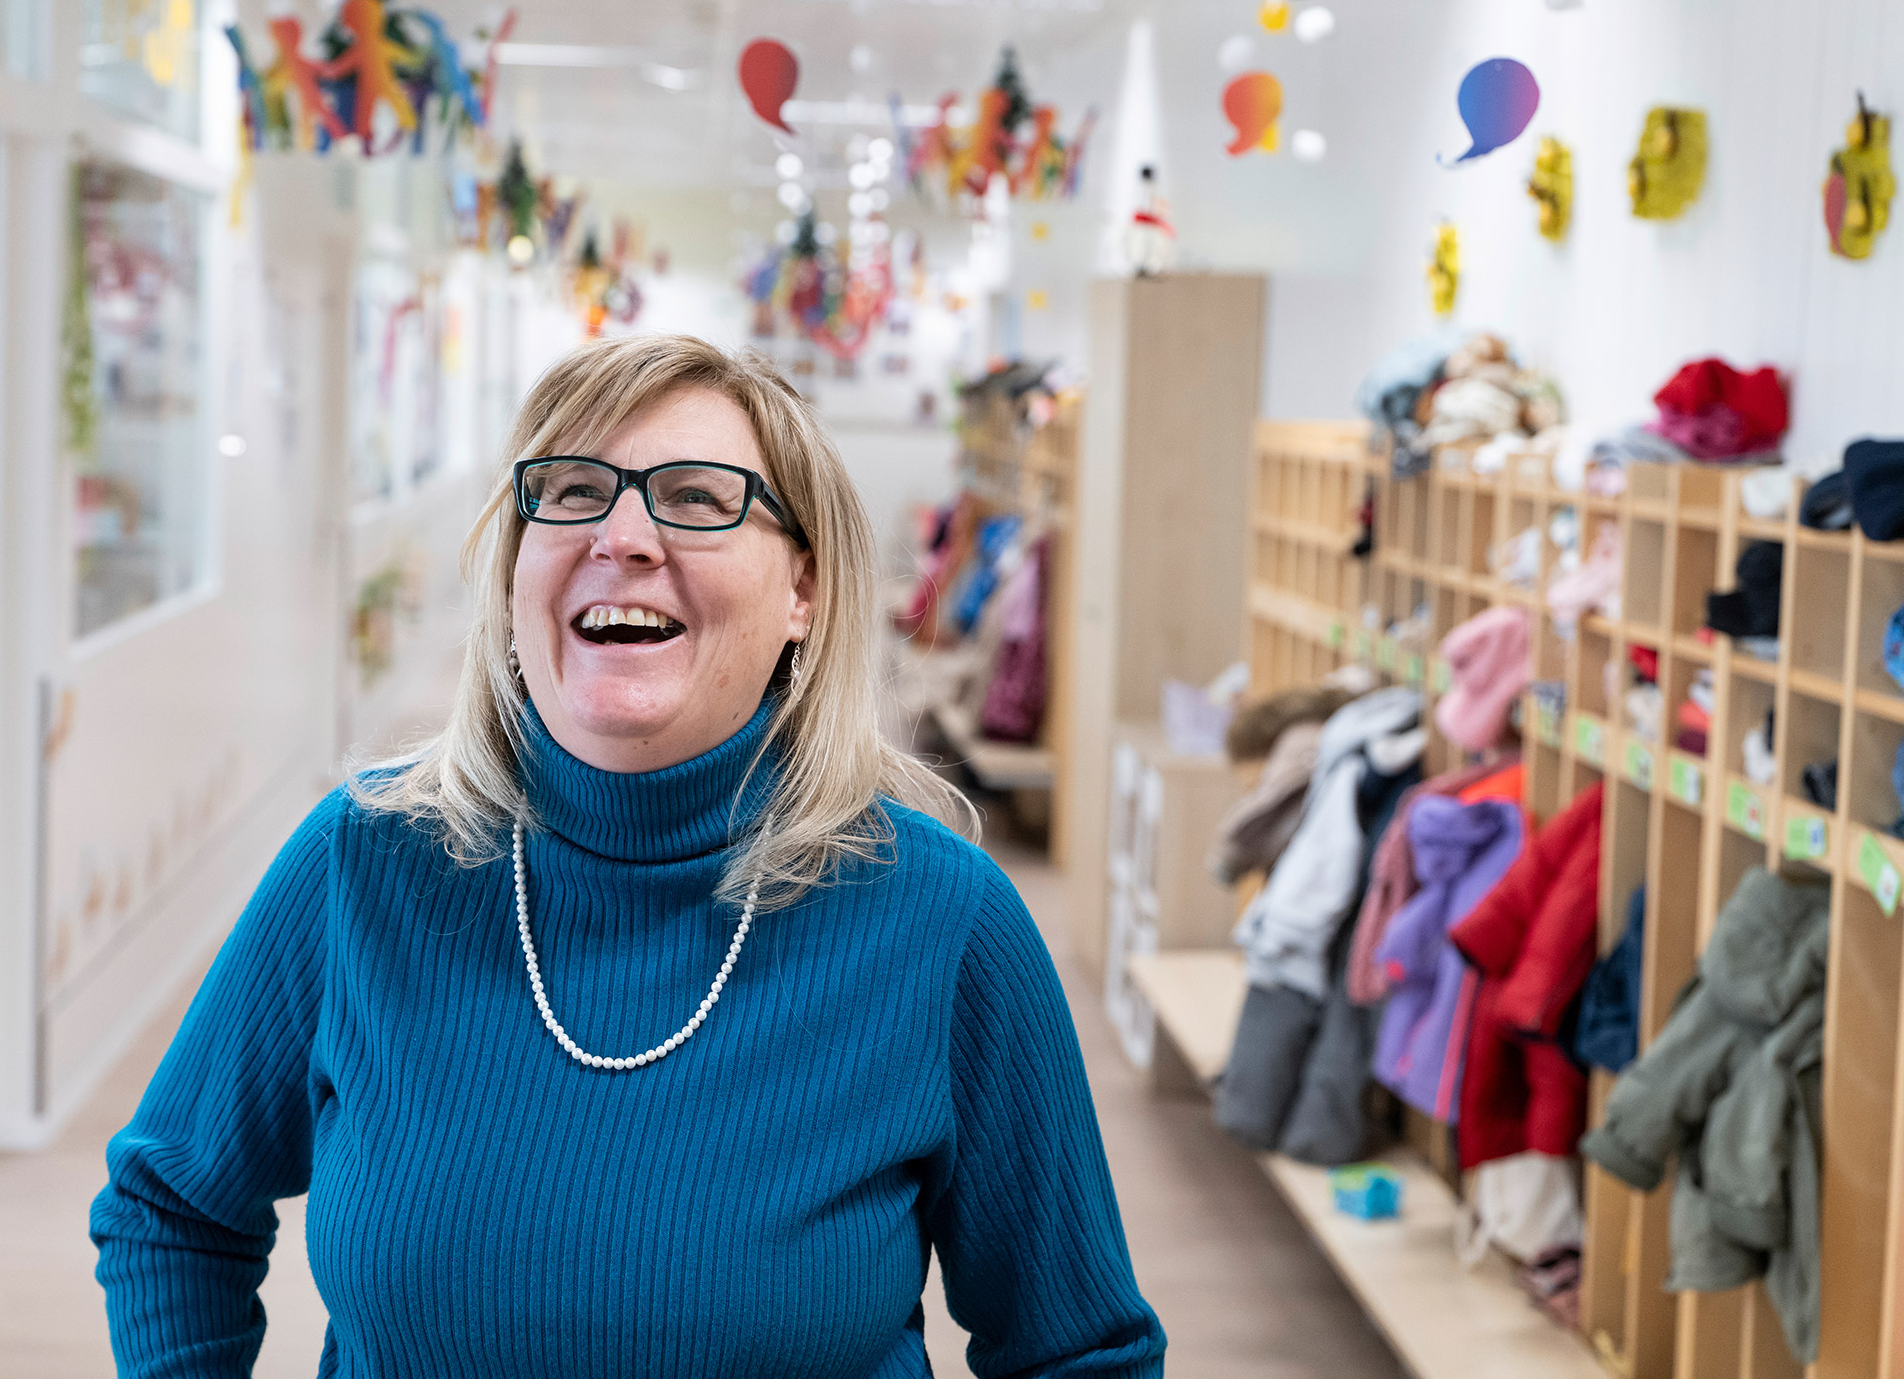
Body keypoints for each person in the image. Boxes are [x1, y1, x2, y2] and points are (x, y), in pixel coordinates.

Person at [91, 334, 1165, 1377]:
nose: (623, 534)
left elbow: (1076, 1349)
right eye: (569, 491)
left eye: (698, 499)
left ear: (805, 588)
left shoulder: (940, 919)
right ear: (514, 573)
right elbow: (171, 1202)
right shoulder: (363, 865)